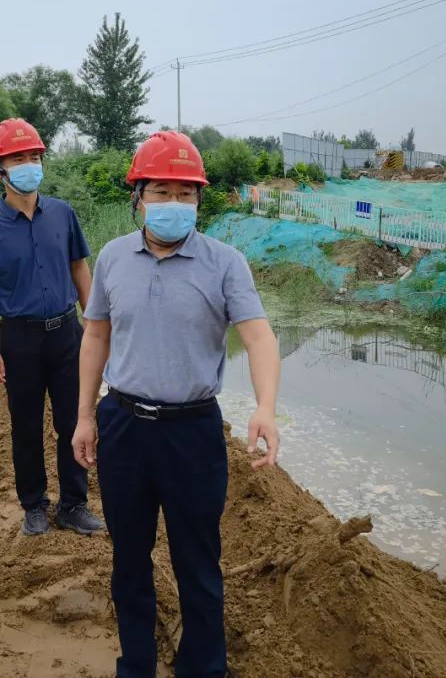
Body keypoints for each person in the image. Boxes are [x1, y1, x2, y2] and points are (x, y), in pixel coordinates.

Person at [72, 130, 281, 678]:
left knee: (198, 563)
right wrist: (85, 415)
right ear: (138, 197)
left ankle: (203, 668)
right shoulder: (113, 258)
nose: (174, 203)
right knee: (129, 559)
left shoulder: (225, 263)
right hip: (123, 426)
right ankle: (136, 664)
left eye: (186, 193)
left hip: (193, 432)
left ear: (199, 200)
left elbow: (259, 337)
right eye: (161, 191)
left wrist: (265, 407)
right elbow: (96, 336)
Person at [0, 118, 105, 537]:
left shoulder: (62, 214)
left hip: (67, 334)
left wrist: (96, 324)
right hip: (20, 338)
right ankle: (34, 505)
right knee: (25, 426)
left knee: (73, 419)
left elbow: (79, 269)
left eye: (34, 156)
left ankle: (73, 504)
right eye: (18, 159)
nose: (29, 165)